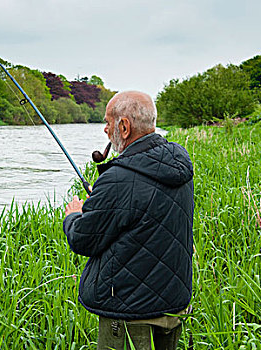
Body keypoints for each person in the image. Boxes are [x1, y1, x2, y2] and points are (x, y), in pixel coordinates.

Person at [63, 91, 194, 349]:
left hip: (129, 311)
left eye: (108, 122)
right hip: (173, 305)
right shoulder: (179, 162)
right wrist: (104, 200)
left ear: (124, 127)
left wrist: (74, 215)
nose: (105, 129)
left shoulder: (118, 179)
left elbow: (83, 240)